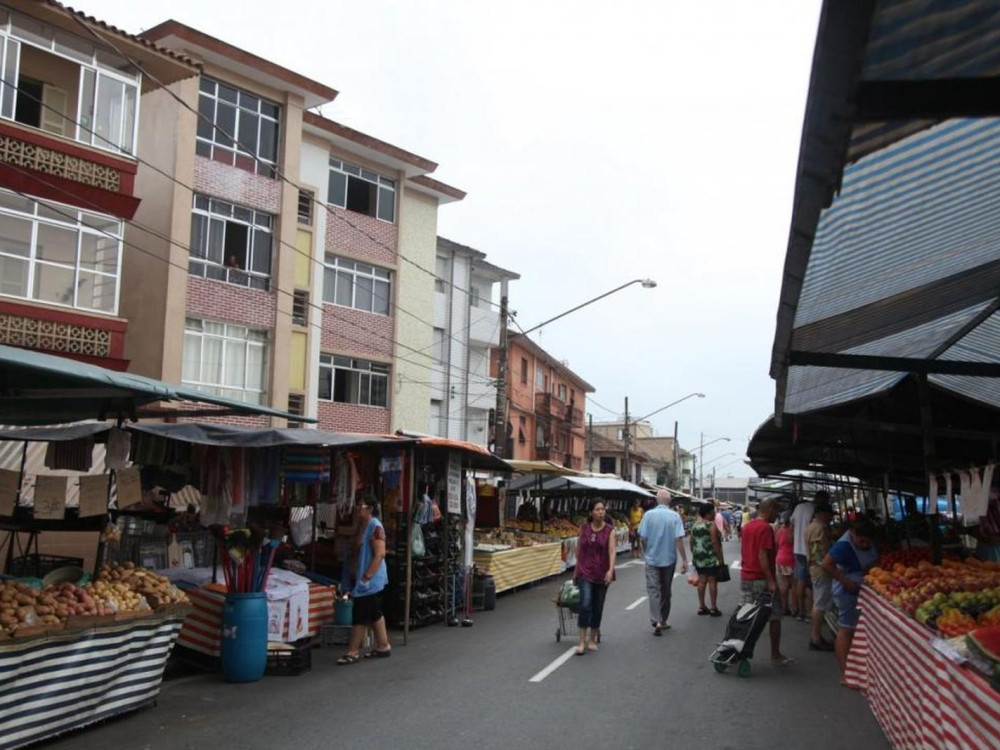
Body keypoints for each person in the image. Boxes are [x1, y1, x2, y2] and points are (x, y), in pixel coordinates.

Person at [337, 496, 391, 664]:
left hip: (370, 578)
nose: (359, 508)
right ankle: (383, 645)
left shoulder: (375, 527)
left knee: (360, 614)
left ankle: (353, 651)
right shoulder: (363, 527)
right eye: (358, 505)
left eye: (362, 505)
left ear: (371, 509)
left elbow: (380, 553)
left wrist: (367, 575)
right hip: (365, 576)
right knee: (373, 612)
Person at [740, 498, 793, 666]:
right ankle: (775, 655)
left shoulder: (747, 527)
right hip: (761, 578)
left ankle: (738, 651)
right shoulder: (765, 528)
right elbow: (762, 556)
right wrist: (771, 581)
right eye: (776, 511)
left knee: (746, 616)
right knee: (775, 617)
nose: (777, 516)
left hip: (746, 575)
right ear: (768, 510)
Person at [823, 519, 879, 675]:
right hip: (847, 593)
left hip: (862, 588)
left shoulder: (865, 541)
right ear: (853, 534)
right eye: (861, 541)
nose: (864, 544)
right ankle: (845, 673)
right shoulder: (843, 546)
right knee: (846, 630)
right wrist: (846, 581)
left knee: (855, 630)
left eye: (868, 541)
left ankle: (856, 668)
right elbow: (826, 565)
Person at [638, 488, 688, 635]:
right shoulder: (675, 516)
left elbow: (643, 538)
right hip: (669, 559)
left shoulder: (648, 515)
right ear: (669, 501)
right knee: (666, 590)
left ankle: (656, 620)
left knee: (653, 590)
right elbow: (678, 539)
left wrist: (647, 552)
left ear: (656, 500)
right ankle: (664, 619)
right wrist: (684, 560)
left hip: (652, 559)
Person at [573, 499, 616, 655]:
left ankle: (592, 639)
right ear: (591, 512)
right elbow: (579, 550)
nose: (601, 512)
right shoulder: (583, 528)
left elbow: (611, 551)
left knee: (598, 606)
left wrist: (610, 570)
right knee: (585, 604)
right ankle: (581, 642)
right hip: (585, 572)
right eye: (597, 509)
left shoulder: (610, 530)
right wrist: (576, 571)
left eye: (603, 509)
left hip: (602, 573)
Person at [792, 491, 828, 621]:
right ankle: (806, 612)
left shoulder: (799, 507)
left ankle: (798, 609)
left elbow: (792, 525)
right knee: (808, 582)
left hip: (797, 548)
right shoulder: (814, 511)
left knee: (799, 580)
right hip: (808, 550)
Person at [806, 500, 836, 652]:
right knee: (820, 604)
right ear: (823, 514)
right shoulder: (819, 528)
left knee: (819, 602)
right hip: (820, 569)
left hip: (816, 568)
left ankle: (816, 636)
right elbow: (818, 552)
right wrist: (828, 565)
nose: (831, 518)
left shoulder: (811, 526)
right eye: (829, 515)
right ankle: (816, 638)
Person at [690, 503, 723, 616]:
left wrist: (695, 554)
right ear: (708, 513)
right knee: (712, 581)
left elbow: (691, 543)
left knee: (702, 581)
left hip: (699, 557)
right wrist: (720, 559)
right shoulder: (711, 525)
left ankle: (702, 606)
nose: (714, 513)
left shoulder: (695, 525)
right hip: (710, 558)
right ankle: (713, 607)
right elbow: (715, 542)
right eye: (713, 511)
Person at [775, 510, 797, 618]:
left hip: (780, 557)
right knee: (792, 584)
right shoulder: (791, 531)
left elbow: (777, 543)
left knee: (784, 583)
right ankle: (792, 608)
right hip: (790, 559)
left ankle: (784, 607)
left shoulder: (780, 530)